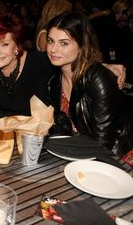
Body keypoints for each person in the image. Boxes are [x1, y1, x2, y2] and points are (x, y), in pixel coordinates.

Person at [0, 13, 127, 116]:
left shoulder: (41, 62)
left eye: (5, 44)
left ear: (16, 45)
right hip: (7, 140)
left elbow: (70, 58)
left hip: (38, 141)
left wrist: (105, 67)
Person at [46, 11, 132, 154]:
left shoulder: (97, 79)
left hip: (116, 156)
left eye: (64, 43)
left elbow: (104, 143)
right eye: (50, 41)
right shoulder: (54, 79)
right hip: (76, 150)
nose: (53, 50)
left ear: (81, 46)